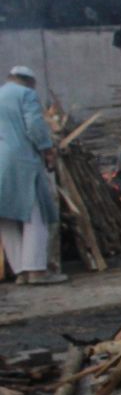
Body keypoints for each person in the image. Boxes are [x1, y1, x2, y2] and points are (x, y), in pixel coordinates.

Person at [0, 67, 64, 284]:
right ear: (29, 81)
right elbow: (35, 126)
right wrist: (47, 148)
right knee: (36, 214)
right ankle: (36, 270)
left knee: (6, 218)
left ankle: (20, 272)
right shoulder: (26, 94)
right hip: (22, 160)